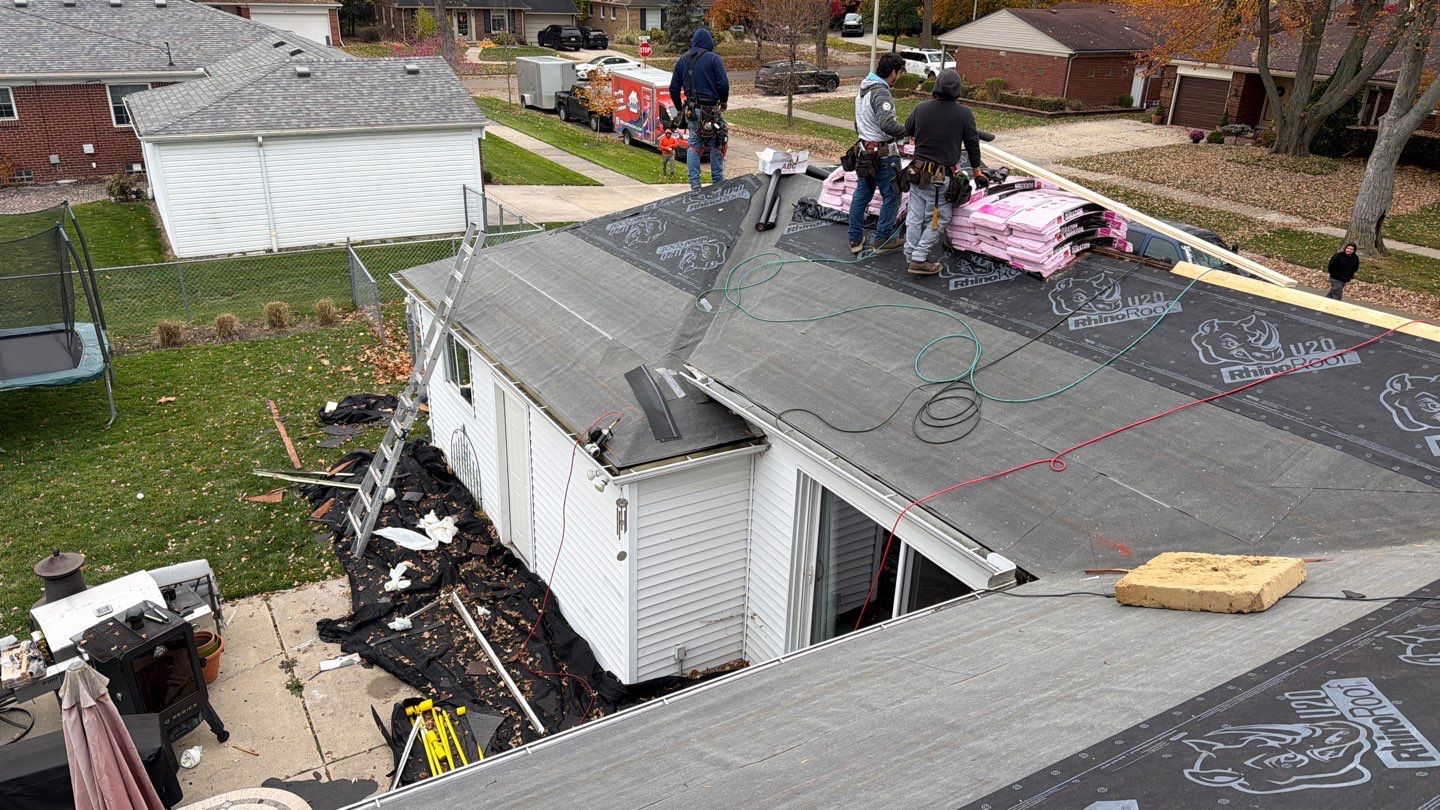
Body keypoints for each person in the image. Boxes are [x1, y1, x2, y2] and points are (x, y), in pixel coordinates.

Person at [900, 69, 983, 276]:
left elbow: (907, 129)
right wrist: (977, 171)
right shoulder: (964, 114)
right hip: (939, 178)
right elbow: (972, 144)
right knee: (940, 217)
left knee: (915, 215)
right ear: (957, 90)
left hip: (917, 173)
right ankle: (918, 258)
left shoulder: (921, 108)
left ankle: (910, 254)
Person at [846, 53, 907, 256]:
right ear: (893, 72)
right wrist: (909, 130)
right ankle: (883, 240)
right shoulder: (881, 92)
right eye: (898, 74)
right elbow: (887, 124)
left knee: (862, 194)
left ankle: (855, 239)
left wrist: (866, 137)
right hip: (882, 154)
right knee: (893, 193)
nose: (897, 78)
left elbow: (858, 122)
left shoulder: (863, 88)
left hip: (864, 152)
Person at [669, 28, 729, 192]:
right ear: (709, 43)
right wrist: (723, 101)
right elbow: (723, 84)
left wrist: (680, 108)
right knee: (716, 142)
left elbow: (673, 88)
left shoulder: (682, 60)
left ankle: (695, 186)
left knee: (694, 146)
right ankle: (717, 183)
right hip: (710, 110)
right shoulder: (714, 59)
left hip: (691, 110)